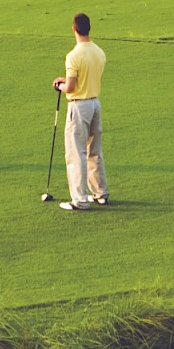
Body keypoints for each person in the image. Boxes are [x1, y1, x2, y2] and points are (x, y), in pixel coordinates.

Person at [53, 12, 107, 211]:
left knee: (76, 153)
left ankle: (80, 200)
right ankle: (100, 193)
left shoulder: (73, 56)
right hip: (95, 104)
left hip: (79, 107)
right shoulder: (99, 52)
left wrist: (60, 86)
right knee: (94, 151)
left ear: (74, 29)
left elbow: (72, 87)